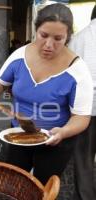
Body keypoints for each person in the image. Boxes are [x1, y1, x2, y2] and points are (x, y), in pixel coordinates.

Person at [0, 3, 93, 185]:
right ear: (36, 30)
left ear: (68, 37)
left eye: (58, 38)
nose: (49, 45)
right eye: (43, 35)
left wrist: (64, 132)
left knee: (42, 188)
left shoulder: (78, 70)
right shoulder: (20, 55)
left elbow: (81, 118)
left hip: (55, 141)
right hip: (18, 134)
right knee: (14, 183)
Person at [68, 5, 96, 200]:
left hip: (85, 109)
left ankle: (86, 196)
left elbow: (68, 76)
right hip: (85, 108)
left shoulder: (77, 39)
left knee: (84, 159)